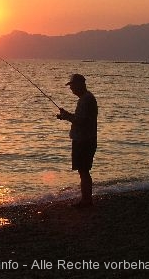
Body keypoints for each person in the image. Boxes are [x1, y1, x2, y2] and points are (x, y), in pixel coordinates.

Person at [57, 74, 98, 207]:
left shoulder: (86, 100)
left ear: (80, 84)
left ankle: (86, 201)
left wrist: (66, 116)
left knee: (84, 171)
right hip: (86, 139)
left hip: (84, 140)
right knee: (83, 171)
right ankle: (86, 199)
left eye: (73, 85)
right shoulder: (86, 98)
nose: (71, 89)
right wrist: (66, 115)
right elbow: (81, 118)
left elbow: (80, 121)